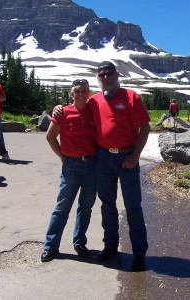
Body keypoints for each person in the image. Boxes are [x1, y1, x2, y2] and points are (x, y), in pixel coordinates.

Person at [53, 61, 150, 272]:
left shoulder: (131, 97)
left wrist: (134, 157)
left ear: (116, 74)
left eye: (109, 73)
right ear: (99, 78)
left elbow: (144, 128)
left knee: (133, 206)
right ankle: (111, 247)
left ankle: (139, 253)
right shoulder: (94, 100)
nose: (106, 77)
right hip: (104, 158)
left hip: (127, 157)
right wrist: (58, 108)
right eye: (102, 74)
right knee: (107, 204)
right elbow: (75, 106)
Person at [41, 79, 97, 262]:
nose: (81, 94)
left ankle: (79, 242)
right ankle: (51, 246)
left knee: (86, 207)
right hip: (71, 166)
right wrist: (62, 157)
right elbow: (50, 137)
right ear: (71, 93)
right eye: (77, 91)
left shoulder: (93, 111)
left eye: (84, 91)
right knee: (62, 207)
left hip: (92, 165)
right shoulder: (63, 112)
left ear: (89, 93)